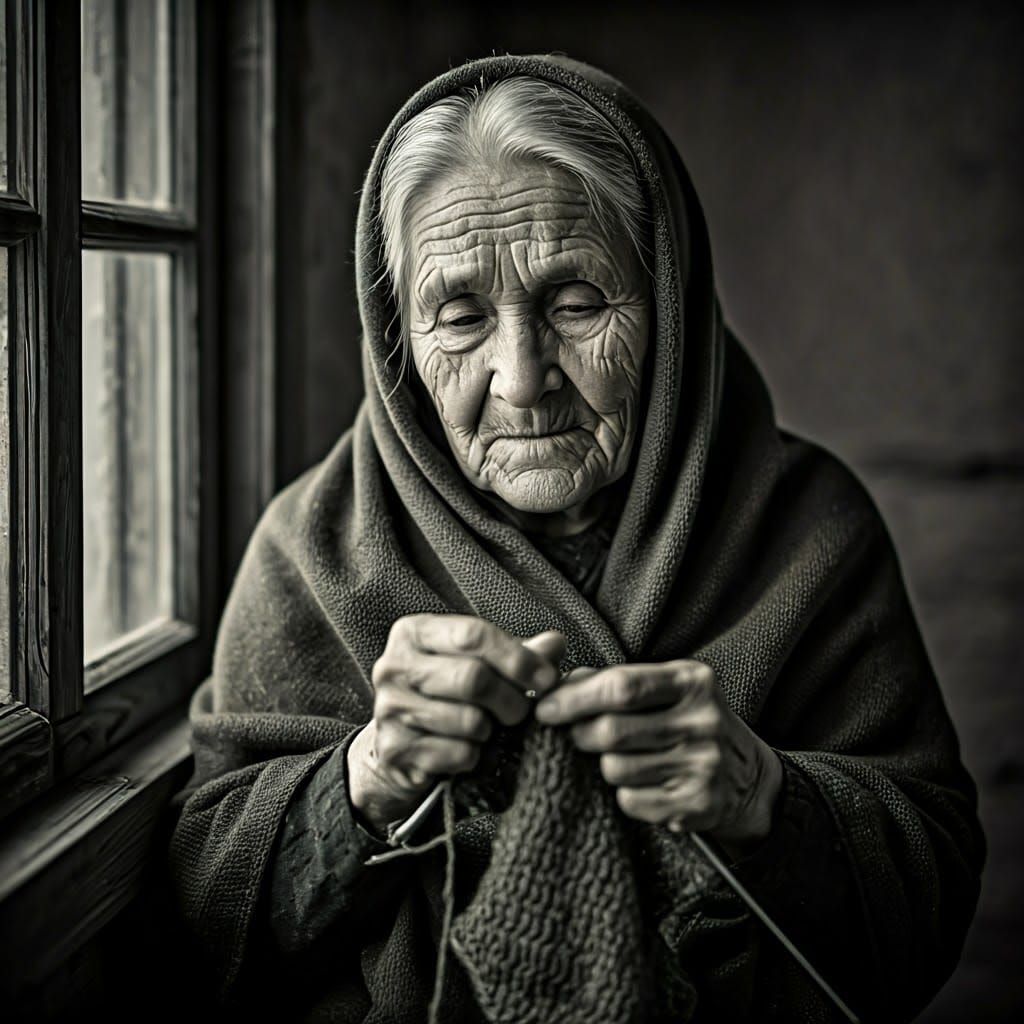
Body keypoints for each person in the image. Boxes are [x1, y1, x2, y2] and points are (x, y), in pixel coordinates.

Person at [169, 55, 984, 1023]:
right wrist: (366, 780)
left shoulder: (807, 528)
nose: (521, 378)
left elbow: (931, 896)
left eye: (576, 303)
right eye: (460, 316)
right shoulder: (314, 555)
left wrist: (764, 796)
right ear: (398, 347)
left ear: (669, 304)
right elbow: (197, 924)